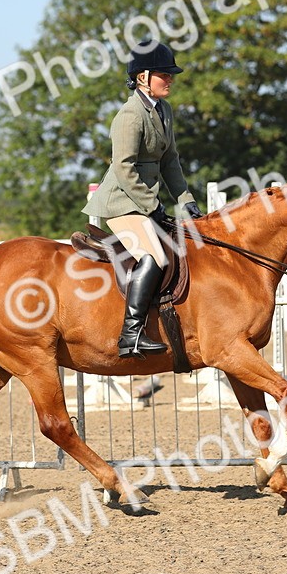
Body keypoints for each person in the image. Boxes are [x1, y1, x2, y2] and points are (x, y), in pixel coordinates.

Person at [83, 41, 203, 358]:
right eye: (164, 74)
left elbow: (170, 161)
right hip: (121, 202)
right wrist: (153, 205)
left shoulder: (164, 110)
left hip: (144, 202)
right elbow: (123, 168)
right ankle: (131, 334)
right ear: (143, 77)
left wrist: (186, 200)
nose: (170, 79)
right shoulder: (130, 115)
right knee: (154, 256)